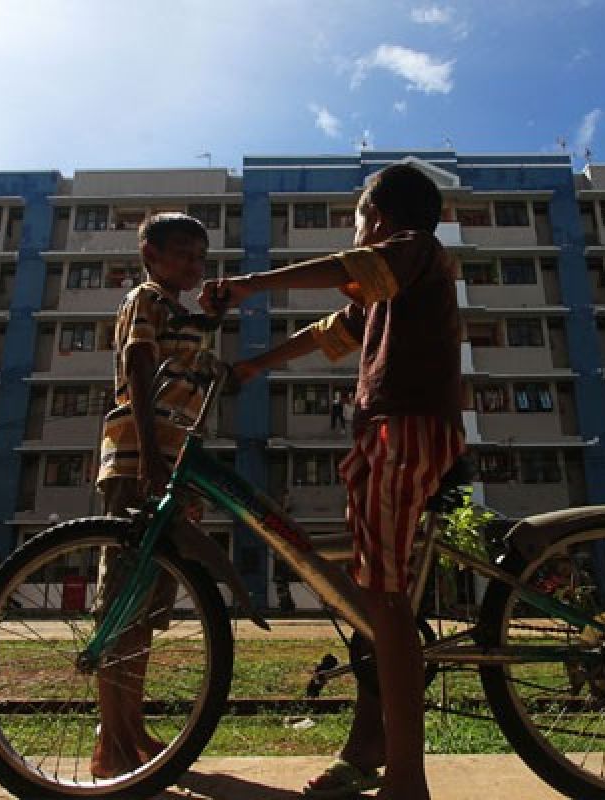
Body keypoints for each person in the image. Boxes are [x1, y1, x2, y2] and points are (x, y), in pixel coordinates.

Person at [201, 163, 464, 800]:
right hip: (385, 432)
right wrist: (257, 365)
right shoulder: (386, 289)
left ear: (377, 218)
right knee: (368, 597)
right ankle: (369, 744)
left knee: (385, 601)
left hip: (404, 429)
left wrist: (249, 285)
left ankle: (408, 778)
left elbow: (347, 267)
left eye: (358, 220)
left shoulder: (414, 251)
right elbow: (332, 332)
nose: (357, 233)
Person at [92, 212, 211, 779]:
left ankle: (130, 727)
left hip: (173, 466)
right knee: (122, 603)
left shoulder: (183, 314)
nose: (194, 264)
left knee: (145, 610)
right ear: (151, 255)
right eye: (183, 253)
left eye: (199, 256)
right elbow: (138, 370)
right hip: (143, 460)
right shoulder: (146, 299)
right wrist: (152, 457)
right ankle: (109, 741)